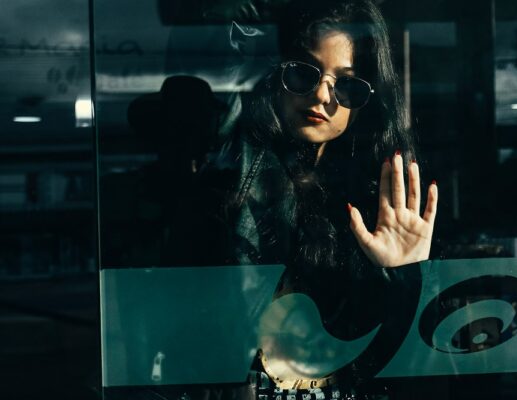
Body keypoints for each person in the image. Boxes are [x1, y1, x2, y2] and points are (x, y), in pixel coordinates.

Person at [161, 0, 438, 398]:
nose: (322, 95)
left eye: (347, 85)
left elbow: (403, 366)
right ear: (277, 73)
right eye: (303, 72)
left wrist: (405, 274)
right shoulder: (230, 183)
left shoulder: (371, 205)